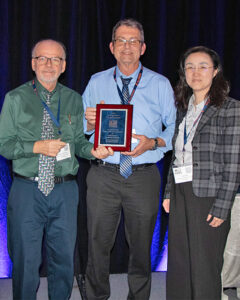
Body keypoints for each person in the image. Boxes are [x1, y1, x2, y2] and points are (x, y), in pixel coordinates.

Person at [0, 39, 112, 300]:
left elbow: (79, 144)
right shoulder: (15, 98)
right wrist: (36, 146)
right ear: (32, 63)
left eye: (55, 60)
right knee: (26, 260)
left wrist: (93, 151)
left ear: (64, 66)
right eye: (42, 58)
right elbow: (3, 144)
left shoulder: (73, 99)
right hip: (28, 188)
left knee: (63, 260)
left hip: (65, 190)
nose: (48, 64)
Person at [82, 18, 176, 299]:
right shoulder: (97, 82)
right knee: (97, 244)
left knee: (141, 246)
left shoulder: (160, 84)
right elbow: (82, 131)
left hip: (144, 175)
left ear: (143, 47)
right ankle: (97, 295)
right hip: (103, 174)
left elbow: (175, 129)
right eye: (121, 41)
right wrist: (89, 125)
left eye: (133, 41)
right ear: (111, 47)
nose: (127, 46)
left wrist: (154, 142)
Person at [163, 46, 240, 300]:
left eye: (203, 66)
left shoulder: (230, 109)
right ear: (183, 73)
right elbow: (177, 155)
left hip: (210, 195)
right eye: (190, 67)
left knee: (204, 266)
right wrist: (169, 192)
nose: (196, 72)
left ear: (215, 71)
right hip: (182, 192)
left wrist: (222, 206)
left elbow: (233, 163)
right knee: (180, 262)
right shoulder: (183, 110)